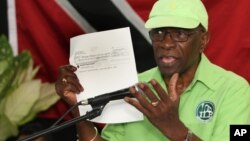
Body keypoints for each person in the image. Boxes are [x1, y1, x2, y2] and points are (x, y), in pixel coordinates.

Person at [55, 0, 250, 140]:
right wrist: (78, 108)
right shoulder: (133, 87)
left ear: (203, 40)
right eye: (158, 33)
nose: (166, 43)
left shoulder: (235, 89)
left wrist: (176, 130)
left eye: (180, 34)